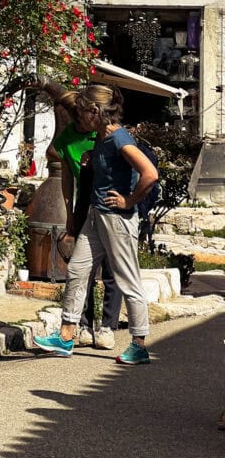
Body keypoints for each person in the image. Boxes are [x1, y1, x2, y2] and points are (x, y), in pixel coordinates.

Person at [33, 83, 158, 365]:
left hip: (117, 219)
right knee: (77, 269)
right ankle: (66, 337)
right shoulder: (101, 138)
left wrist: (129, 200)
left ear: (94, 111)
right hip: (95, 215)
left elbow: (150, 173)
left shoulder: (118, 138)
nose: (79, 117)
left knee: (128, 280)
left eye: (81, 111)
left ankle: (139, 344)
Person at [38, 80, 123, 349]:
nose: (86, 119)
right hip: (85, 201)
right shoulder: (67, 139)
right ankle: (83, 325)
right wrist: (69, 214)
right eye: (81, 114)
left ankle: (107, 327)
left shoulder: (104, 134)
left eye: (88, 113)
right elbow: (67, 179)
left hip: (110, 200)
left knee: (111, 267)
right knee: (82, 267)